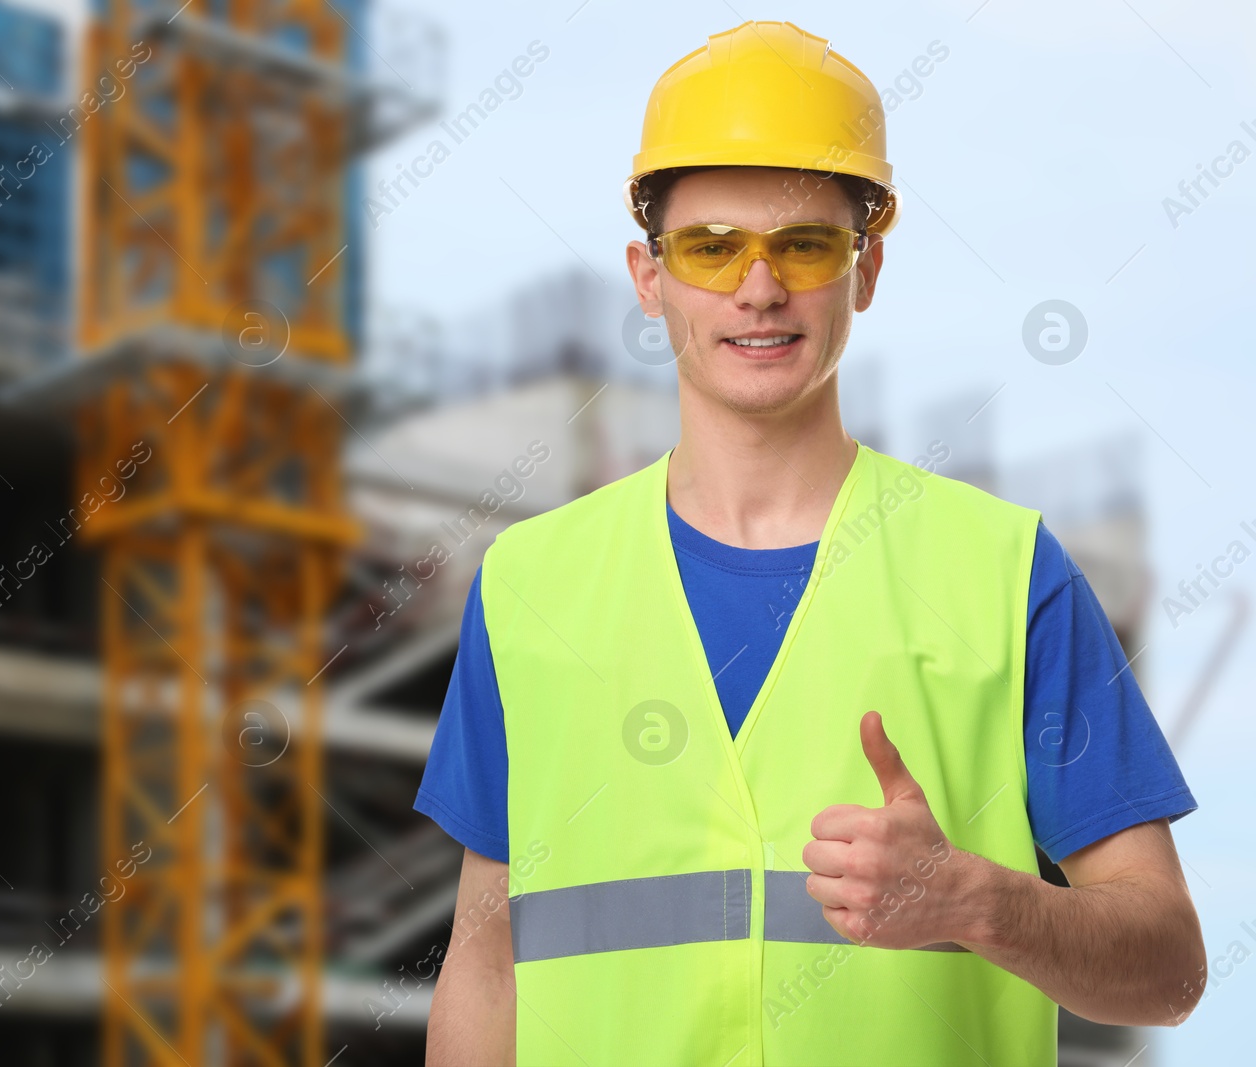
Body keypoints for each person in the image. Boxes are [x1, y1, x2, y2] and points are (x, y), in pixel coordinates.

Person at [415, 20, 1205, 1067]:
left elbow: (1170, 971)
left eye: (802, 244)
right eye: (710, 246)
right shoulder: (529, 585)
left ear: (863, 269)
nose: (757, 287)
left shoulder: (1004, 571)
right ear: (648, 280)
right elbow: (484, 964)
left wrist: (984, 901)